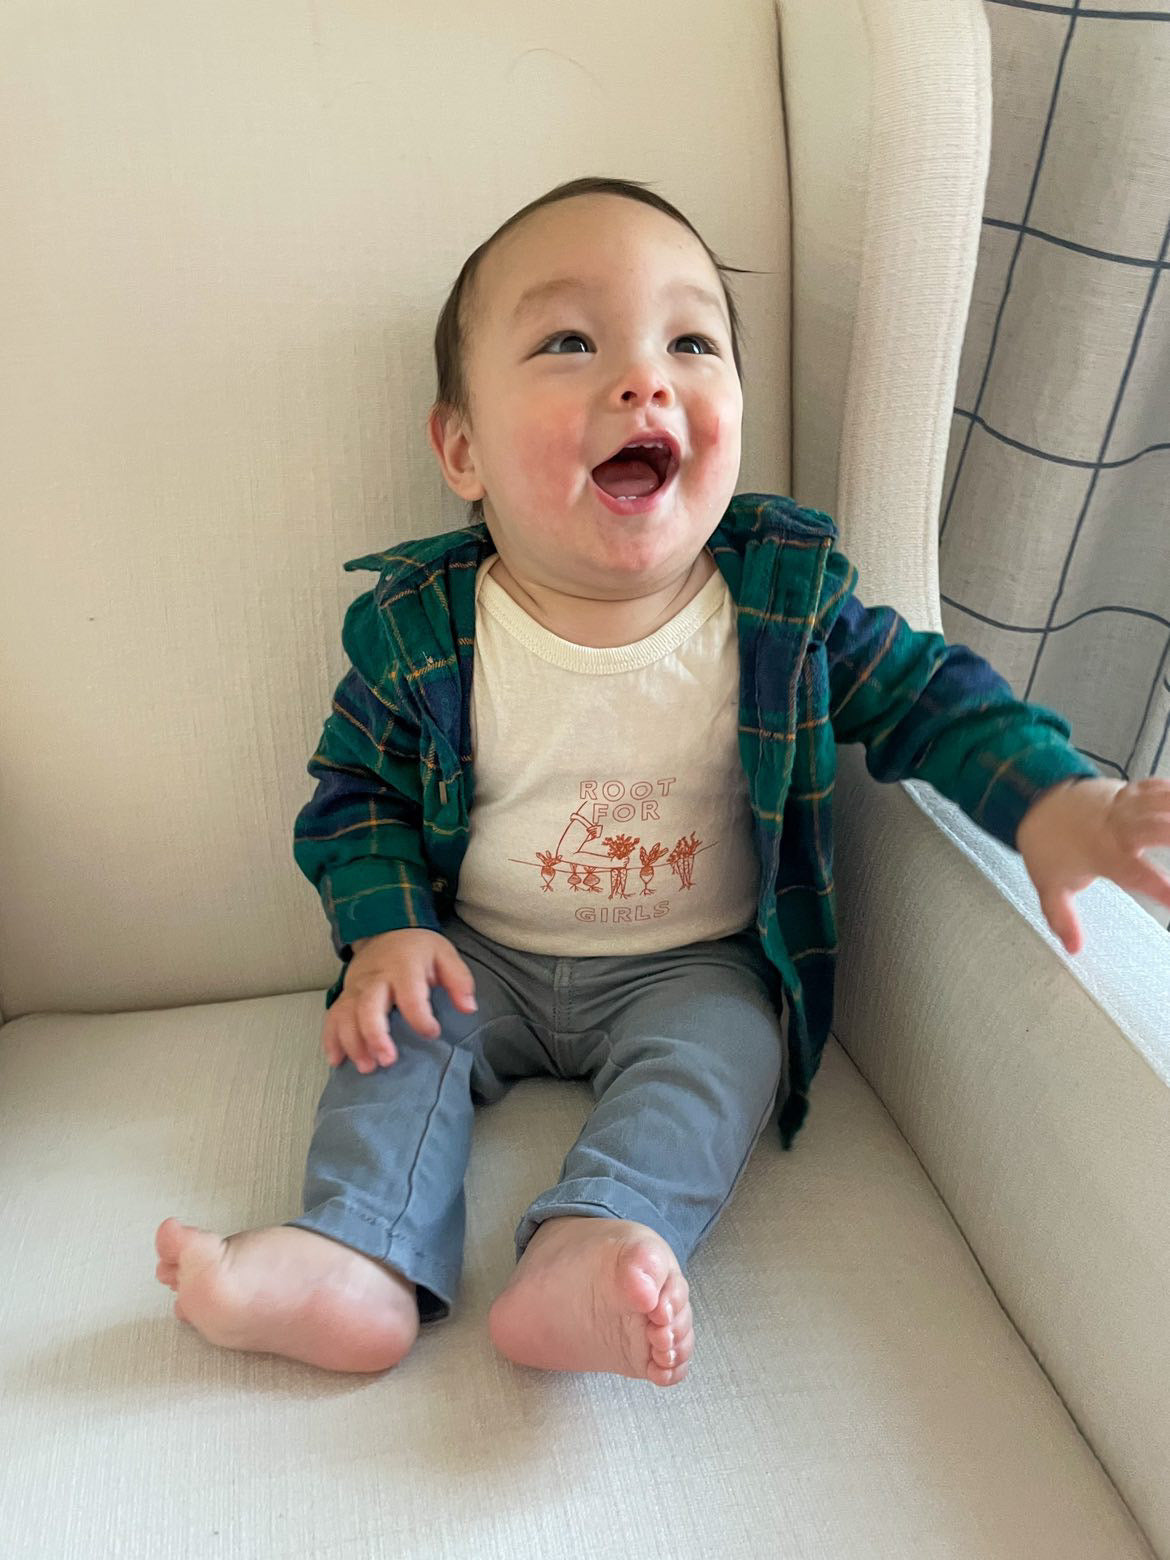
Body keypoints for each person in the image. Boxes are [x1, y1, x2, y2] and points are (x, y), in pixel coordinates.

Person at [154, 177, 1170, 1388]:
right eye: (571, 342)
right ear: (462, 449)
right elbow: (355, 796)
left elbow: (922, 694)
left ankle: (594, 1248)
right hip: (479, 953)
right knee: (394, 1047)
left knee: (722, 1063)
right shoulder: (424, 629)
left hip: (697, 962)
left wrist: (1051, 797)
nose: (645, 379)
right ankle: (354, 1255)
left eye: (691, 341)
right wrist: (386, 932)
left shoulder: (783, 607)